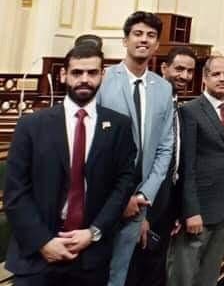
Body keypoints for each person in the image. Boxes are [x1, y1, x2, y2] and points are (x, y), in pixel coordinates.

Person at [5, 41, 138, 285]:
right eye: (77, 72)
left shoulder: (119, 126)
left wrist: (94, 232)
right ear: (63, 75)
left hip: (90, 256)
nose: (84, 79)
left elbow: (124, 184)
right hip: (36, 256)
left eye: (92, 72)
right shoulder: (31, 126)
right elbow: (15, 191)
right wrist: (43, 242)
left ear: (102, 75)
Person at [97, 11, 175, 286]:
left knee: (119, 275)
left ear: (157, 45)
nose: (144, 40)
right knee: (94, 273)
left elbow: (165, 147)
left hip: (140, 201)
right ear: (125, 40)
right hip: (103, 197)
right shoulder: (103, 80)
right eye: (138, 34)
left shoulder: (163, 88)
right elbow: (94, 146)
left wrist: (144, 194)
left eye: (151, 36)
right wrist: (121, 198)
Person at [125, 45, 197, 286]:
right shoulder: (148, 107)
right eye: (179, 69)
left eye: (189, 71)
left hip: (167, 205)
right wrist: (141, 216)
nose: (184, 76)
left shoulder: (181, 110)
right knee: (135, 273)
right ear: (164, 68)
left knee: (156, 273)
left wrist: (176, 210)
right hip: (142, 204)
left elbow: (177, 163)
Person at [167, 55, 224, 286]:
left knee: (209, 277)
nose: (222, 79)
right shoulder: (191, 110)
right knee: (184, 277)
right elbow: (186, 165)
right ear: (205, 78)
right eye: (216, 74)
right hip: (198, 211)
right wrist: (191, 211)